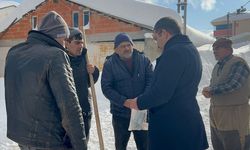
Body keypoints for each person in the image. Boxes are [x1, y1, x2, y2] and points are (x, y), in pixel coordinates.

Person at [4, 11, 87, 150]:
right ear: (57, 36)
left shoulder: (13, 53)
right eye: (64, 39)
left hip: (21, 137)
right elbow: (70, 107)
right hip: (48, 141)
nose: (65, 44)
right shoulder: (55, 55)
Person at [124, 17, 209, 150]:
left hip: (174, 130)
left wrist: (138, 103)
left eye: (156, 37)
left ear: (164, 33)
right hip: (188, 123)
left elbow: (161, 93)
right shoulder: (190, 49)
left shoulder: (173, 53)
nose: (156, 43)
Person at [101, 33, 153, 150]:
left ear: (132, 45)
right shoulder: (109, 64)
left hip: (140, 111)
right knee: (120, 146)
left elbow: (151, 81)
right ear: (116, 49)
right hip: (120, 114)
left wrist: (141, 100)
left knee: (144, 145)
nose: (126, 48)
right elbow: (106, 88)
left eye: (128, 45)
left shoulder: (144, 61)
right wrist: (125, 101)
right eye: (122, 46)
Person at [202, 38, 250, 150]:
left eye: (218, 48)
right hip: (217, 119)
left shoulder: (238, 63)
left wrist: (211, 90)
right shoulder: (218, 66)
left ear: (228, 49)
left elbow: (234, 84)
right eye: (213, 48)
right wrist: (209, 91)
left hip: (234, 118)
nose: (214, 51)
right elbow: (214, 85)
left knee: (236, 145)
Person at [65, 27, 99, 144]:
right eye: (77, 43)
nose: (80, 46)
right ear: (67, 42)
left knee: (83, 143)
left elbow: (89, 83)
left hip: (85, 109)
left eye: (82, 43)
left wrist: (93, 72)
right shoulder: (61, 60)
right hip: (68, 113)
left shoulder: (85, 57)